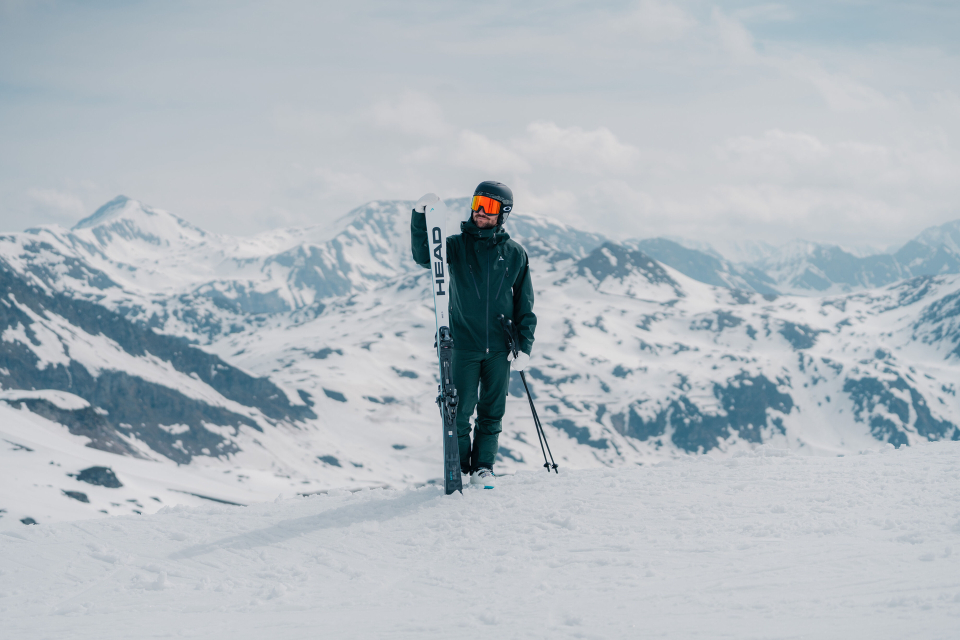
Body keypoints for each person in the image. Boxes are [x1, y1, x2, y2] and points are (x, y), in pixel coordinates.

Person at [411, 181, 536, 489]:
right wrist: (418, 217)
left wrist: (524, 345)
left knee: (492, 413)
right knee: (459, 411)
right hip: (463, 345)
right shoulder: (455, 245)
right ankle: (460, 467)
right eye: (478, 202)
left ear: (503, 214)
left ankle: (483, 468)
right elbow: (425, 257)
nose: (480, 211)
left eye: (490, 206)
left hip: (500, 348)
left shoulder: (515, 254)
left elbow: (525, 304)